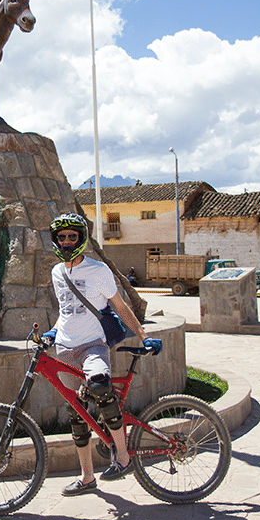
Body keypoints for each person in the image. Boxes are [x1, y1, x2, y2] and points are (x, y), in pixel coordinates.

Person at [47, 213, 151, 497]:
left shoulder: (98, 270)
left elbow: (120, 305)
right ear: (56, 240)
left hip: (93, 344)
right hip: (65, 349)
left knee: (100, 384)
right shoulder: (57, 272)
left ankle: (123, 455)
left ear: (80, 239)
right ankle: (86, 477)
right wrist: (52, 333)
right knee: (76, 413)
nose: (67, 241)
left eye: (72, 236)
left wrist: (142, 334)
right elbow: (65, 311)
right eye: (62, 237)